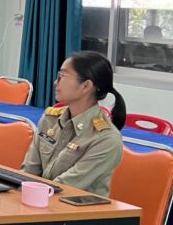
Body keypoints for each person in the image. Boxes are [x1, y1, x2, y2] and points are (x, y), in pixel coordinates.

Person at [21, 51, 125, 196]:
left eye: (62, 76)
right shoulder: (50, 119)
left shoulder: (106, 139)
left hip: (73, 207)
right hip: (39, 201)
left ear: (86, 86)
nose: (56, 82)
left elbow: (63, 188)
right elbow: (28, 173)